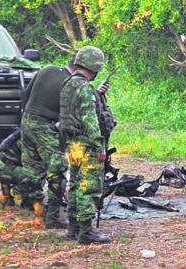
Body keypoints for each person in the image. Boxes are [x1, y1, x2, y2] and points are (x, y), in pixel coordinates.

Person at [60, 45, 115, 244]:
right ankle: (86, 232)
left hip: (73, 143)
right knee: (88, 186)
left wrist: (98, 93)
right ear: (94, 66)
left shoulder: (69, 84)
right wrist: (99, 146)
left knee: (74, 185)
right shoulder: (84, 88)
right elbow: (90, 119)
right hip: (87, 145)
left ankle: (73, 228)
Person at [21, 59, 75, 228]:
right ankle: (53, 217)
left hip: (27, 121)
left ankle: (31, 203)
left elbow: (25, 94)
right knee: (57, 170)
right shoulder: (71, 83)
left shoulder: (47, 69)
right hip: (45, 126)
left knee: (32, 167)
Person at [0, 128, 33, 211]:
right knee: (35, 174)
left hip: (1, 167)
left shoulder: (18, 135)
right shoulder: (27, 141)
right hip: (8, 168)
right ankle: (25, 199)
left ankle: (8, 198)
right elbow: (30, 163)